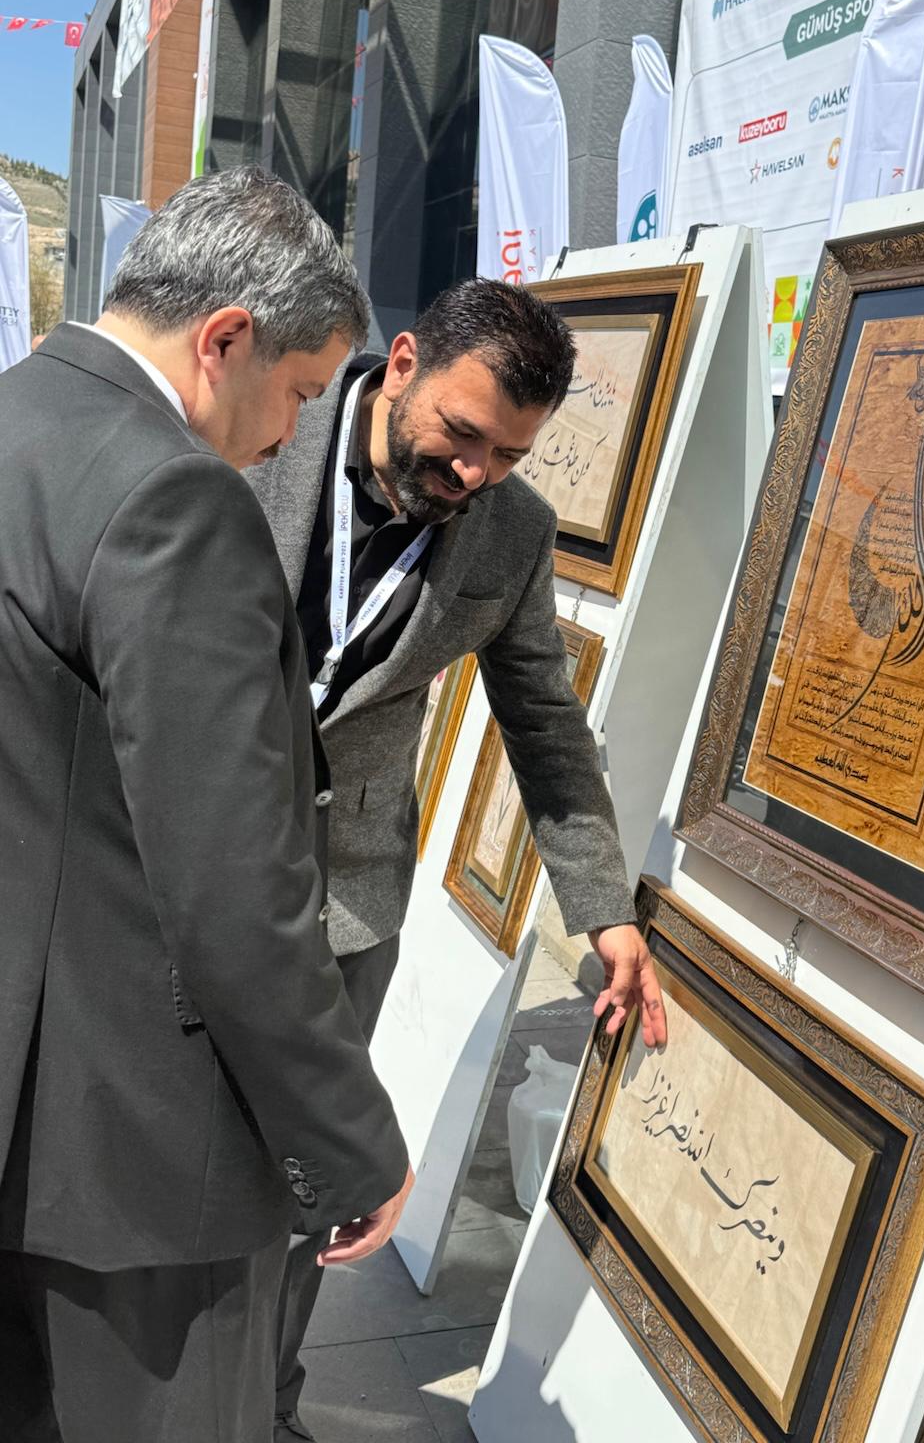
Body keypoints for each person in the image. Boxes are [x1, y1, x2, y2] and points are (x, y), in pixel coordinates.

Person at [0, 168, 412, 1443]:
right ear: (225, 337)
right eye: (299, 391)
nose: (293, 434)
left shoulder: (16, 419)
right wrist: (350, 1143)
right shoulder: (176, 497)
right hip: (137, 1162)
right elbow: (235, 885)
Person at [247, 274, 668, 1442]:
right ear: (403, 365)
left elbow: (544, 722)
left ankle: (265, 1404)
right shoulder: (264, 427)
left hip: (345, 899)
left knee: (310, 1184)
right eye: (464, 434)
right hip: (182, 864)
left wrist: (604, 906)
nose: (477, 472)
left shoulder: (512, 534)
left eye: (511, 455)